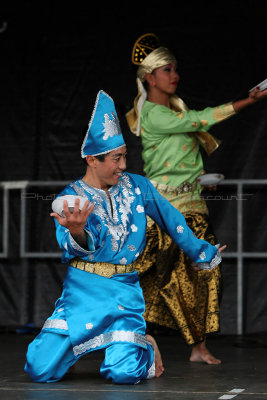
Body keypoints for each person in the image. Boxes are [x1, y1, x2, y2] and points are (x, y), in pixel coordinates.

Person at [24, 90, 225, 384]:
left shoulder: (138, 187)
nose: (122, 165)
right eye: (116, 158)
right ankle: (74, 351)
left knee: (124, 374)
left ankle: (144, 343)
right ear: (92, 159)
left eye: (124, 156)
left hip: (123, 293)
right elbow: (70, 242)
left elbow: (174, 222)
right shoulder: (71, 198)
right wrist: (78, 231)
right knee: (39, 369)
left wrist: (201, 252)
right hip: (82, 294)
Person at [126, 33, 267, 365]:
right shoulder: (154, 115)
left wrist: (199, 180)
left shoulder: (171, 113)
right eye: (167, 70)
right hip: (164, 211)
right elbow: (199, 120)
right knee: (136, 274)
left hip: (190, 207)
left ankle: (197, 346)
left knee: (200, 272)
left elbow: (173, 162)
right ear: (150, 77)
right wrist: (248, 101)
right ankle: (92, 334)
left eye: (176, 69)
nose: (175, 75)